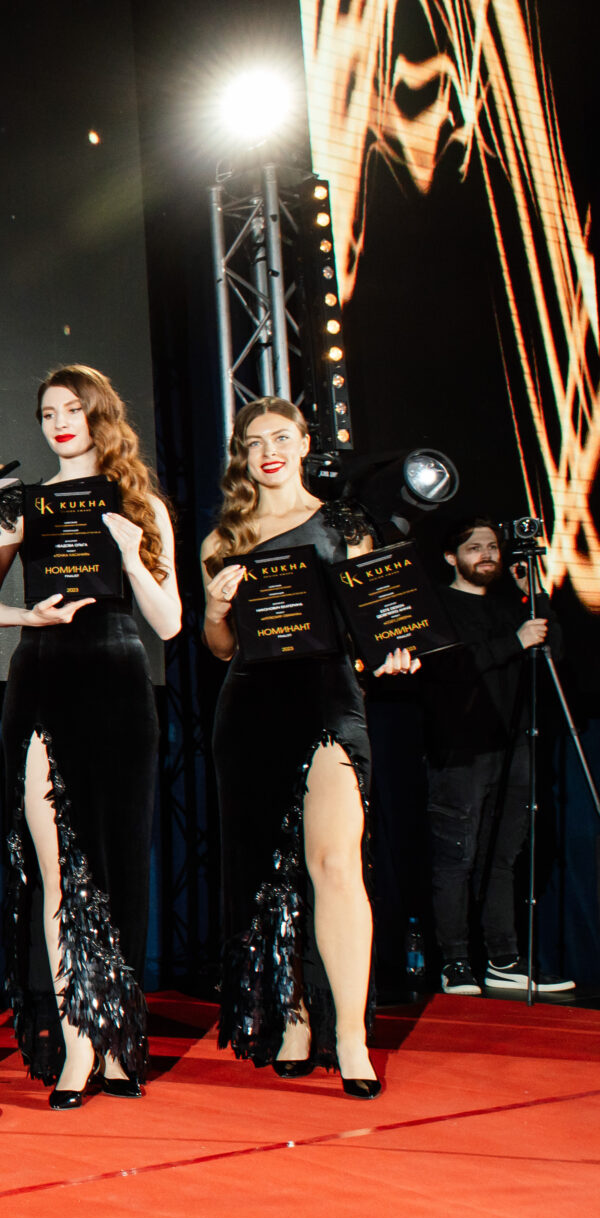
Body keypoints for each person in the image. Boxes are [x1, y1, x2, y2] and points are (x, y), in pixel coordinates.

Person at [0, 365, 180, 1109]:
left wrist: (130, 552)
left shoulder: (138, 503)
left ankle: (118, 1044)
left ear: (98, 416)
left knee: (115, 868)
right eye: (47, 411)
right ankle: (77, 1046)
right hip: (42, 679)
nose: (58, 422)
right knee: (59, 874)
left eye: (71, 409)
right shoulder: (20, 504)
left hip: (117, 683)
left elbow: (169, 623)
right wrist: (31, 616)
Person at [201, 396, 420, 1100]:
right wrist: (215, 610)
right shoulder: (223, 539)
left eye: (280, 437)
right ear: (242, 454)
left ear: (303, 444)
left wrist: (394, 649)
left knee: (335, 862)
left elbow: (376, 615)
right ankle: (291, 1020)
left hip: (328, 697)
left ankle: (351, 1036)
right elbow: (221, 648)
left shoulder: (344, 522)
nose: (268, 450)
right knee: (270, 873)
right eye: (254, 440)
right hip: (249, 705)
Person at [421, 517, 572, 995]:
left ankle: (503, 958)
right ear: (451, 557)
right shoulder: (436, 604)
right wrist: (513, 642)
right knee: (457, 858)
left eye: (492, 546)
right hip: (460, 750)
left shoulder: (510, 607)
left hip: (515, 746)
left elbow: (555, 653)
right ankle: (455, 961)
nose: (487, 554)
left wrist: (535, 595)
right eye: (474, 547)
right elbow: (445, 668)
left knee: (502, 856)